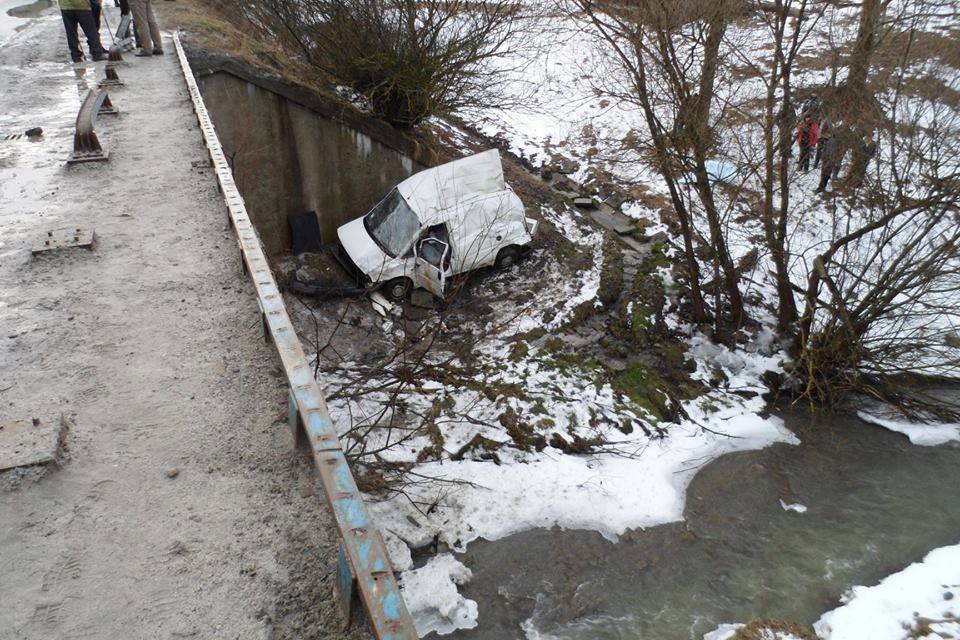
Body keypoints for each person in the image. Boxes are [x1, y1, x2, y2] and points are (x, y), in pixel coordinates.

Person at [814, 126, 843, 193]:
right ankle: (822, 187)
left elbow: (832, 152)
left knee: (825, 174)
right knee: (825, 174)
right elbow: (825, 149)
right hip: (828, 159)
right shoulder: (831, 140)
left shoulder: (834, 141)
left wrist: (826, 158)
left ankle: (821, 187)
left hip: (829, 160)